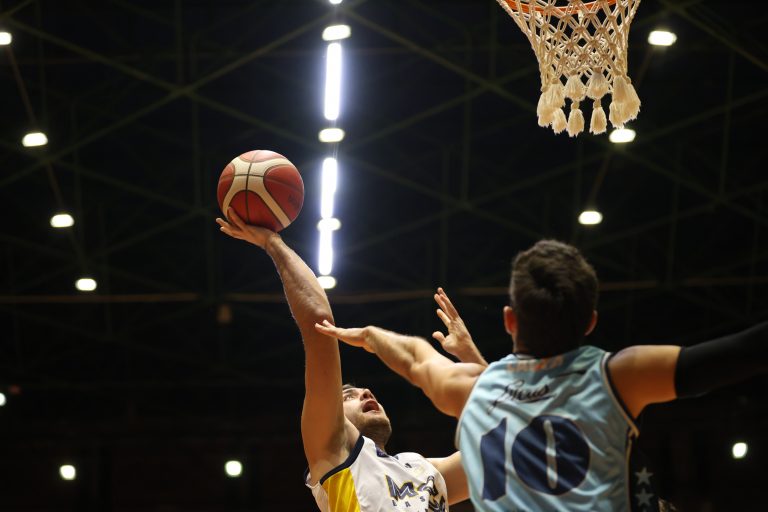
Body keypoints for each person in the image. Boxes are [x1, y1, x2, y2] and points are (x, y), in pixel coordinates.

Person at [315, 239, 768, 512]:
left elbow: (416, 357)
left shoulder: (476, 391)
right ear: (590, 322)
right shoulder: (619, 375)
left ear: (510, 320)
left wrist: (368, 335)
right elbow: (739, 353)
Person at [216, 209, 471, 511]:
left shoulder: (423, 470)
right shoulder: (333, 451)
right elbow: (318, 322)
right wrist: (273, 243)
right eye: (348, 395)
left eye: (362, 391)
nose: (366, 392)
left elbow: (501, 447)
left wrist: (469, 356)